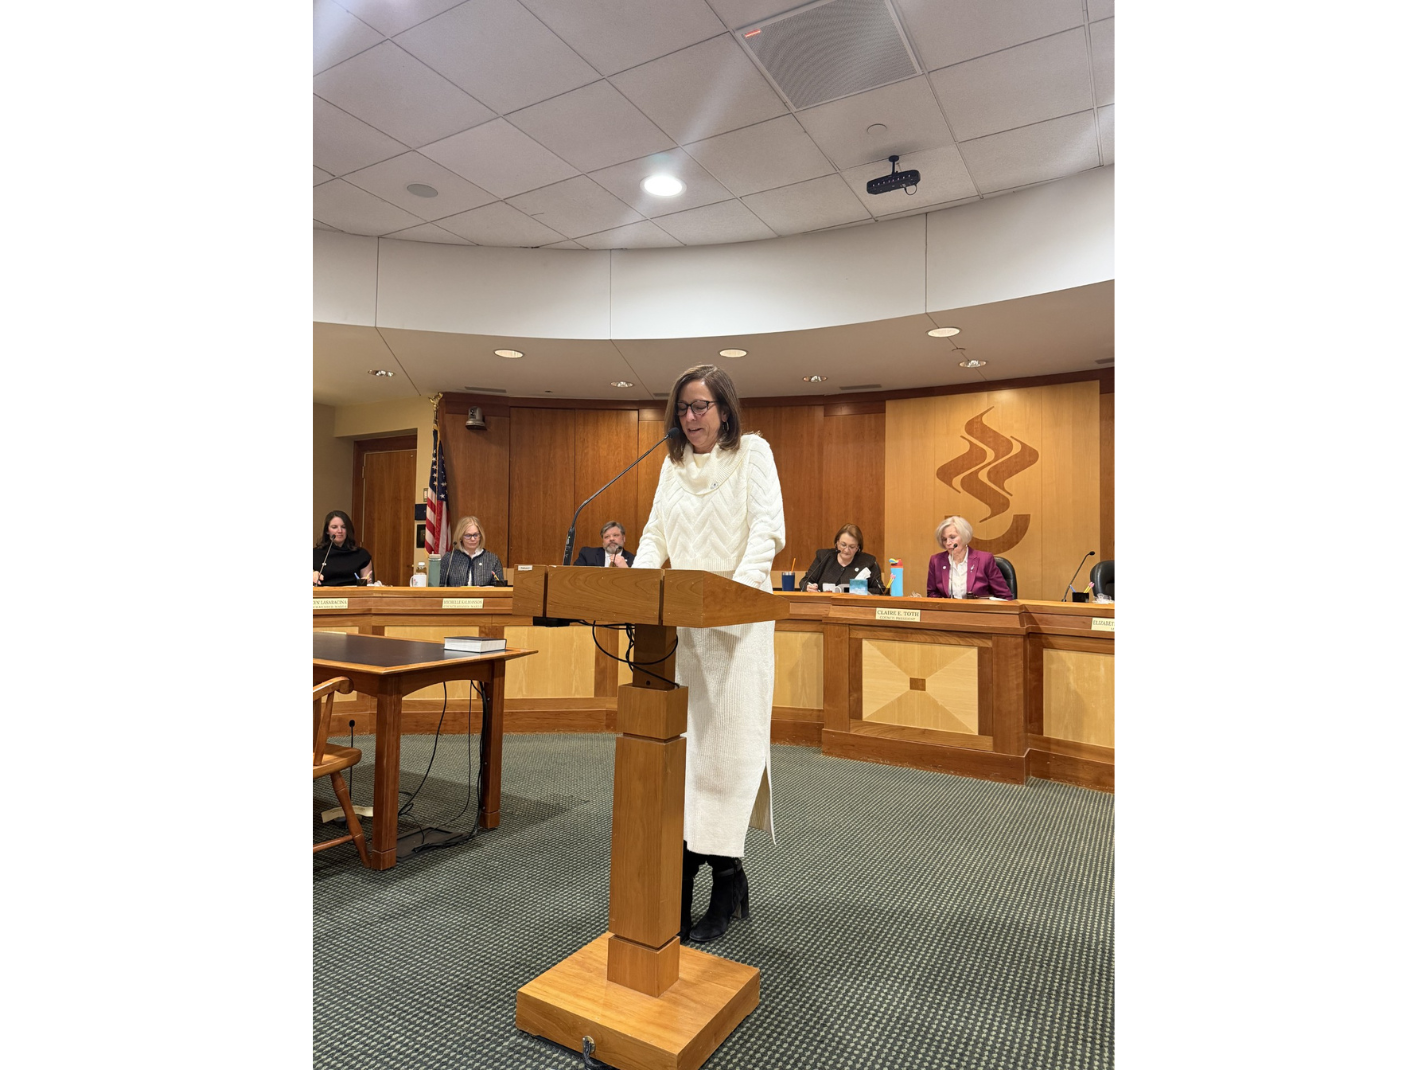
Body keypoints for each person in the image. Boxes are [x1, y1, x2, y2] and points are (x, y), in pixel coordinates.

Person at [632, 364, 786, 944]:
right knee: (687, 752)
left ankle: (725, 876)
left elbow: (766, 532)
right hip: (684, 631)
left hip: (739, 627)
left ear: (724, 409)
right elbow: (652, 538)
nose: (690, 418)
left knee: (727, 750)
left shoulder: (753, 453)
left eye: (700, 406)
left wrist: (732, 600)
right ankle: (688, 868)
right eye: (683, 408)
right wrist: (639, 590)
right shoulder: (671, 465)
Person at [925, 515, 1012, 599]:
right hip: (947, 612)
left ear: (964, 536)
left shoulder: (984, 559)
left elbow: (1004, 595)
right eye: (944, 539)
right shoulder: (936, 561)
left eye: (952, 537)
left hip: (979, 612)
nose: (948, 543)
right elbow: (932, 593)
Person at [799, 524, 886, 593]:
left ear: (858, 548)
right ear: (837, 543)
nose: (846, 550)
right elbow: (804, 582)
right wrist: (808, 587)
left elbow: (880, 590)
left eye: (852, 547)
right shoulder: (824, 556)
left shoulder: (868, 562)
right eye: (843, 545)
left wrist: (857, 590)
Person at [440, 515, 506, 586]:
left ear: (480, 536)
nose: (472, 539)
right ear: (460, 537)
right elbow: (440, 585)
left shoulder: (492, 559)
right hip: (456, 597)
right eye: (468, 535)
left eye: (475, 535)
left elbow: (500, 587)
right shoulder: (449, 558)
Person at [313, 510, 373, 586]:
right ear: (327, 531)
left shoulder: (361, 555)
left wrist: (365, 583)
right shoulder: (314, 554)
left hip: (352, 596)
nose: (340, 531)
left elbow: (368, 585)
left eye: (343, 527)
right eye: (334, 527)